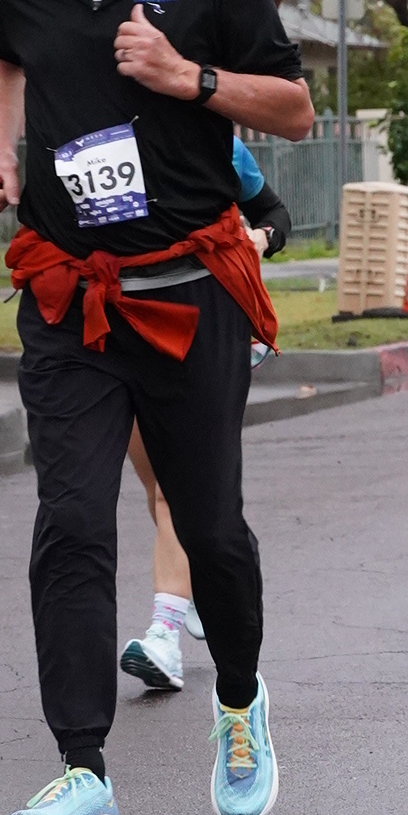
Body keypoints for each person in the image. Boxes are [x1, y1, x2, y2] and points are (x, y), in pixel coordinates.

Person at [0, 0, 314, 815]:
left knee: (209, 529)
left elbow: (294, 109)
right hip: (71, 299)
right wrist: (2, 150)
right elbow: (2, 54)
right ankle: (85, 772)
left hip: (187, 295)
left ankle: (240, 700)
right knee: (71, 522)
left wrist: (186, 77)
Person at [120, 138, 292, 696]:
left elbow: (275, 214)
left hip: (205, 335)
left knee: (177, 493)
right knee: (158, 487)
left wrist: (259, 240)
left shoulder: (220, 144)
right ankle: (196, 579)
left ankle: (164, 635)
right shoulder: (101, 134)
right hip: (121, 332)